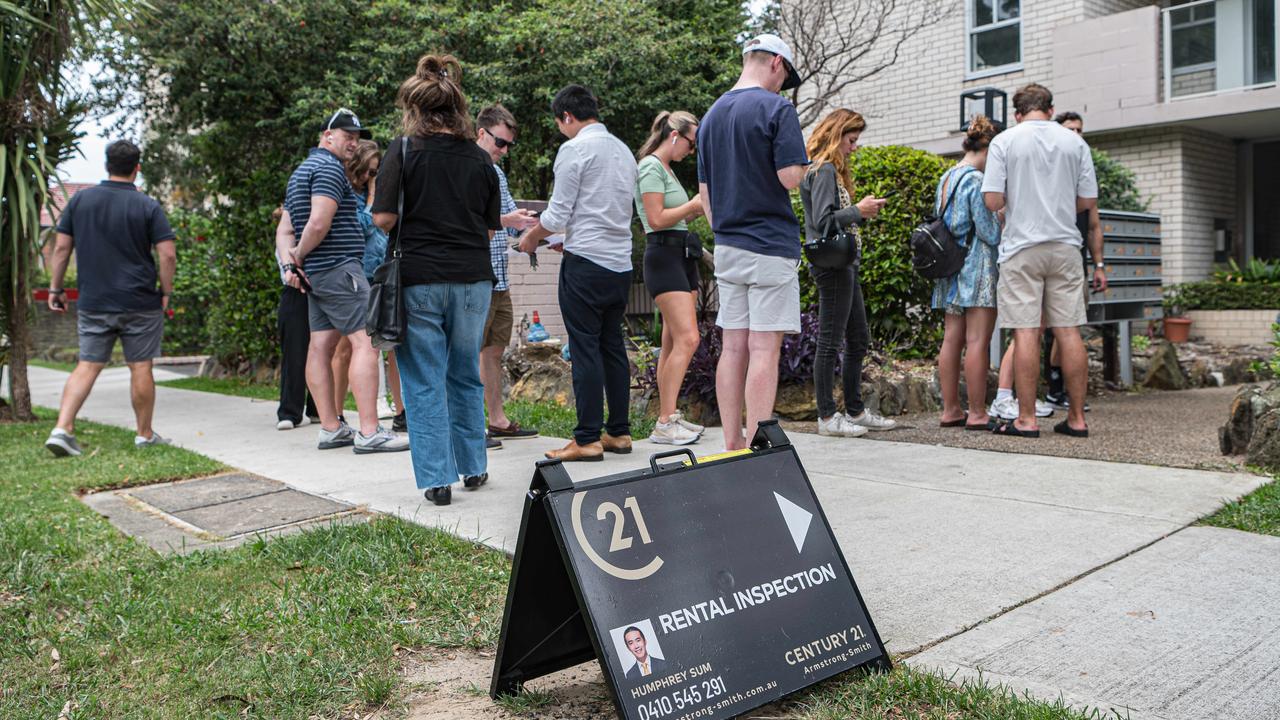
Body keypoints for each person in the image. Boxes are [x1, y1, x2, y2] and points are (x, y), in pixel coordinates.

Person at [372, 54, 501, 506]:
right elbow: (489, 227)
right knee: (465, 374)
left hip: (419, 278)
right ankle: (475, 465)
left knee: (423, 379)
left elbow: (384, 218)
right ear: (458, 111)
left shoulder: (402, 151)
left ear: (416, 110)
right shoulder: (480, 159)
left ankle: (437, 479)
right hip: (472, 280)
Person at [697, 33, 808, 451]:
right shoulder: (776, 108)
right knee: (764, 347)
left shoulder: (710, 116)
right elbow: (790, 178)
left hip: (727, 246)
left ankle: (732, 444)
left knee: (734, 346)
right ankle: (759, 443)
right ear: (776, 62)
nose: (783, 85)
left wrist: (725, 229)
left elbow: (706, 194)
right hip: (769, 245)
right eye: (786, 76)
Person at [519, 85, 637, 462]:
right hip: (619, 264)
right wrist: (565, 237)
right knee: (612, 347)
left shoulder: (574, 149)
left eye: (560, 124)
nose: (561, 131)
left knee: (585, 348)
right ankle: (619, 432)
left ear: (567, 117)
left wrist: (532, 238)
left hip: (585, 264)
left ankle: (586, 438)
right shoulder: (624, 151)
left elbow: (556, 215)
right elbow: (610, 211)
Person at [281, 108, 408, 454]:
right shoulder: (328, 169)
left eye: (355, 136)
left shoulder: (300, 172)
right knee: (366, 342)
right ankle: (369, 431)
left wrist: (291, 264)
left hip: (317, 275)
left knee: (319, 346)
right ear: (327, 136)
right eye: (346, 136)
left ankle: (331, 427)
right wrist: (299, 256)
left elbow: (285, 228)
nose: (353, 142)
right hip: (339, 269)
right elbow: (319, 223)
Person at [982, 84, 1106, 438]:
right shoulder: (1075, 142)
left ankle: (1026, 419)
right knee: (1069, 331)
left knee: (1025, 332)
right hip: (1066, 246)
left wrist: (1014, 200)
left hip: (1021, 247)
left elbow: (991, 200)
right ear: (1050, 110)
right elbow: (1086, 202)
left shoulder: (1005, 141)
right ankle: (1078, 419)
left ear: (1017, 114)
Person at [43, 140, 177, 456]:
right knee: (140, 366)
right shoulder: (147, 205)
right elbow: (167, 254)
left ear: (106, 165)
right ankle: (144, 435)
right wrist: (166, 292)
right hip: (141, 301)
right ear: (137, 168)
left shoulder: (80, 201)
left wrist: (55, 288)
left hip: (94, 301)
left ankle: (62, 428)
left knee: (87, 365)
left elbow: (61, 249)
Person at [799, 109, 896, 438]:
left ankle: (854, 410)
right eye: (851, 140)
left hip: (843, 265)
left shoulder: (827, 170)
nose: (855, 147)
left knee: (857, 339)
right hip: (834, 267)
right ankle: (827, 416)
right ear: (836, 135)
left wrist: (860, 211)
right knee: (831, 341)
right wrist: (859, 210)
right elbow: (823, 220)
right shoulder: (824, 169)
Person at [634, 110, 706, 446]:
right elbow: (656, 217)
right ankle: (664, 422)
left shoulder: (666, 169)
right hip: (663, 255)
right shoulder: (650, 166)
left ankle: (668, 415)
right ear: (675, 135)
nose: (691, 152)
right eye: (691, 144)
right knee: (689, 339)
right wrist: (693, 206)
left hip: (680, 254)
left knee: (672, 342)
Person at [474, 104, 541, 449]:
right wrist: (509, 220)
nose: (503, 150)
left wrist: (535, 231)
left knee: (494, 352)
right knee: (470, 353)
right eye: (500, 142)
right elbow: (468, 218)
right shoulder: (469, 166)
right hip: (475, 277)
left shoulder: (497, 172)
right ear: (481, 133)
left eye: (509, 145)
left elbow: (509, 218)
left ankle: (497, 420)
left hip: (499, 277)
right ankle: (472, 427)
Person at [933, 116, 1001, 431]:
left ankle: (951, 410)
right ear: (987, 148)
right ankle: (977, 413)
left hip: (949, 267)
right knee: (977, 341)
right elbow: (988, 232)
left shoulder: (946, 177)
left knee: (951, 339)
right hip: (976, 269)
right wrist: (999, 217)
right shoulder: (976, 180)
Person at [1044, 110, 1101, 412]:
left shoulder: (1083, 171)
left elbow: (1093, 223)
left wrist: (1100, 264)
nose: (1076, 135)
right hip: (1046, 252)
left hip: (1075, 258)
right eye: (1070, 130)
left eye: (1079, 130)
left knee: (1070, 328)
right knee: (1044, 329)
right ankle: (1054, 389)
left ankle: (1067, 393)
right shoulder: (1052, 169)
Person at [346, 139, 404, 426]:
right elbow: (361, 227)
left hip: (383, 272)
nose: (374, 178)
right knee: (366, 345)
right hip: (361, 274)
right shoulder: (353, 196)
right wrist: (371, 197)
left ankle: (399, 407)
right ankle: (375, 403)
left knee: (391, 342)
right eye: (369, 172)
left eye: (377, 172)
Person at [273, 206, 318, 430]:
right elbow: (286, 266)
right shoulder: (286, 235)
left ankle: (318, 408)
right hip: (295, 291)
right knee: (294, 352)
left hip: (320, 290)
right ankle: (290, 411)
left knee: (323, 351)